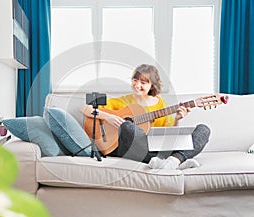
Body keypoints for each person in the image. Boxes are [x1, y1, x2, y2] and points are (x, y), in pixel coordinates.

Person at [81, 64, 210, 170]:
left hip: (156, 148)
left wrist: (177, 119)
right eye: (135, 80)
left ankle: (174, 161)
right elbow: (84, 108)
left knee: (204, 129)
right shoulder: (122, 102)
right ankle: (176, 162)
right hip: (126, 148)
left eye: (143, 82)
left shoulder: (160, 104)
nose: (137, 85)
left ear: (152, 86)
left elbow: (169, 135)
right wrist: (108, 117)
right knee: (127, 126)